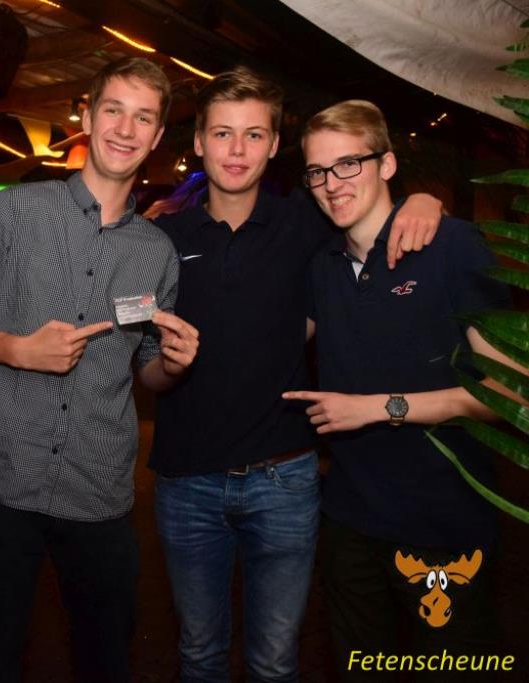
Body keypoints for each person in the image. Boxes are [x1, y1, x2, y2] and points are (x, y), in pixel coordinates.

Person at [148, 67, 443, 682]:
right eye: (222, 133)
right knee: (198, 654)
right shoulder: (161, 239)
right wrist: (167, 368)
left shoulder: (306, 223)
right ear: (198, 142)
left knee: (276, 661)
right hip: (187, 481)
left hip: (283, 479)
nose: (237, 150)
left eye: (254, 134)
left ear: (275, 145)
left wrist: (422, 199)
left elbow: (371, 205)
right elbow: (146, 378)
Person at [0, 56, 200, 683]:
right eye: (113, 110)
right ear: (87, 116)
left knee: (105, 659)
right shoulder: (15, 211)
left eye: (143, 117)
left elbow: (148, 369)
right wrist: (15, 350)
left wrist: (173, 365)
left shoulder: (157, 253)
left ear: (157, 135)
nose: (125, 128)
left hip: (100, 491)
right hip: (5, 482)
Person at [285, 99, 520, 679]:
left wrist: (379, 408)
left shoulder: (453, 247)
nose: (332, 184)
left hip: (444, 525)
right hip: (350, 522)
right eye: (317, 171)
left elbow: (508, 393)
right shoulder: (323, 265)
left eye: (349, 164)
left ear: (387, 164)